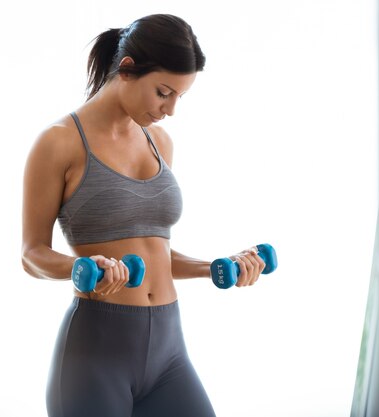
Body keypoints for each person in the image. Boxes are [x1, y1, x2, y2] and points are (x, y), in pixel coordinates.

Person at [21, 13, 265, 417]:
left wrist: (218, 266)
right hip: (96, 356)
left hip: (170, 352)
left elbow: (156, 253)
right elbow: (31, 254)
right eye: (163, 93)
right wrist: (81, 266)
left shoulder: (159, 142)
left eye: (178, 98)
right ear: (128, 70)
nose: (169, 110)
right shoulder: (59, 142)